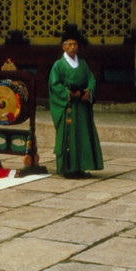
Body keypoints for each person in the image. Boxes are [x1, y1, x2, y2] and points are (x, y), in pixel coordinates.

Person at [48, 24, 103, 178]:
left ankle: (81, 167)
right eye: (69, 44)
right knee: (69, 137)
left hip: (82, 107)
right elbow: (54, 85)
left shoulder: (83, 64)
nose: (73, 47)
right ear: (63, 47)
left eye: (75, 44)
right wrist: (68, 93)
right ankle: (68, 168)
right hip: (69, 107)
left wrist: (89, 91)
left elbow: (91, 80)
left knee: (83, 136)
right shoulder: (58, 65)